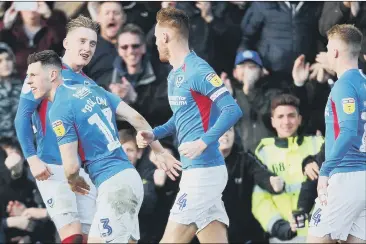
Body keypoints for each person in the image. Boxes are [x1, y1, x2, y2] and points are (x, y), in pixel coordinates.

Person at [25, 50, 181, 243]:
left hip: (115, 186)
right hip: (129, 179)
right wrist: (160, 151)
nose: (28, 81)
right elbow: (136, 118)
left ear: (52, 75)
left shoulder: (58, 109)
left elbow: (71, 166)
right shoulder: (94, 89)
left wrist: (73, 181)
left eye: (33, 75)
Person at [137, 7, 243, 243]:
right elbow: (180, 117)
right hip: (196, 170)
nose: (155, 44)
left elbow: (232, 109)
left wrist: (204, 142)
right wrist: (154, 134)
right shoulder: (174, 75)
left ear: (165, 37)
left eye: (156, 38)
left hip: (203, 172)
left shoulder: (199, 69)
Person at [14, 15, 100, 243]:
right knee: (71, 236)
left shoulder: (90, 84)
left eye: (92, 43)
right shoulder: (41, 71)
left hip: (81, 170)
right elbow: (22, 117)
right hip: (50, 166)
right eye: (81, 41)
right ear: (66, 43)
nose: (87, 48)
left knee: (91, 238)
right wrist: (31, 159)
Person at [307, 24, 366, 243]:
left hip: (345, 175)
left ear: (334, 52)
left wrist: (326, 169)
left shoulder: (344, 86)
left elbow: (349, 131)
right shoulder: (364, 83)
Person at [251, 94, 324, 243]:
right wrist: (280, 227)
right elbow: (260, 201)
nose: (286, 121)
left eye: (291, 115)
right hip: (283, 237)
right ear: (272, 121)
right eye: (280, 116)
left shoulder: (318, 144)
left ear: (299, 119)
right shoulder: (263, 153)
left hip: (319, 233)